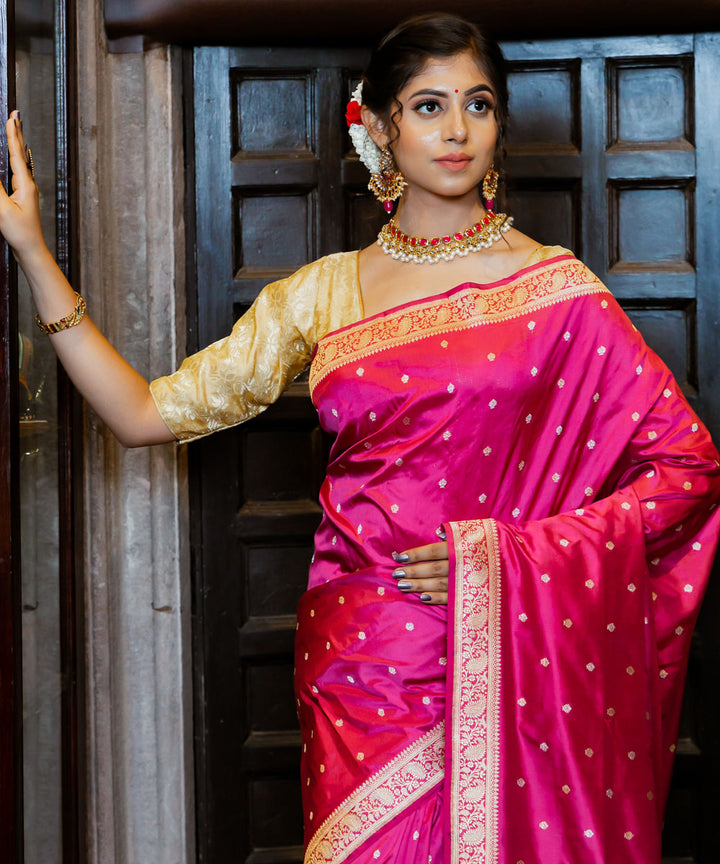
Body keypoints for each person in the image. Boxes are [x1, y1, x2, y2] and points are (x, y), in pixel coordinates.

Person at [1, 12, 719, 864]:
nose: (456, 130)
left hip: (515, 656)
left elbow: (688, 468)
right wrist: (33, 251)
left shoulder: (560, 293)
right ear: (376, 125)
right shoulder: (323, 297)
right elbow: (143, 415)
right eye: (427, 106)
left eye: (478, 104)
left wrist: (505, 560)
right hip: (365, 666)